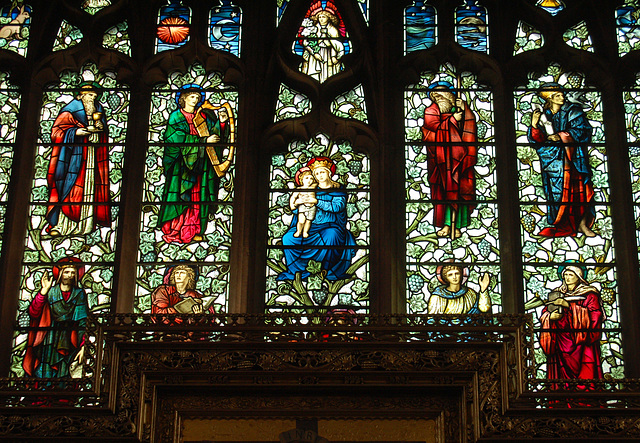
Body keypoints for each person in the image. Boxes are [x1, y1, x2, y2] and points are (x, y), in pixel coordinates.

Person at [158, 84, 233, 244]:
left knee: (198, 197)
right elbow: (174, 139)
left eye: (198, 97)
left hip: (201, 165)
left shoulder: (202, 117)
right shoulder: (176, 117)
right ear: (183, 98)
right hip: (181, 167)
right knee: (182, 197)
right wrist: (202, 141)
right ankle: (176, 228)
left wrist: (221, 123)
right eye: (192, 96)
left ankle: (195, 229)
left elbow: (214, 135)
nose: (196, 99)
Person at [528, 83, 596, 237]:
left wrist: (561, 136)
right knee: (556, 195)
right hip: (553, 163)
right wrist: (534, 123)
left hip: (574, 159)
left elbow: (583, 131)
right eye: (558, 95)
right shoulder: (544, 115)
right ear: (550, 99)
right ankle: (561, 224)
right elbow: (536, 140)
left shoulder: (573, 111)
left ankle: (582, 224)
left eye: (562, 94)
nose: (562, 97)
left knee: (580, 192)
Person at [46, 82, 110, 236]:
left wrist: (100, 128)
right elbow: (56, 132)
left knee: (89, 189)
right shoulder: (70, 111)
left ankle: (86, 224)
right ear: (80, 95)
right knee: (70, 188)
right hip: (71, 159)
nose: (92, 99)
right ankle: (63, 225)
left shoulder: (98, 110)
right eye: (89, 95)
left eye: (94, 96)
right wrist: (75, 133)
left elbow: (102, 133)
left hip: (91, 157)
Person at [277, 157, 356, 281]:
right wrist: (298, 203)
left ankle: (325, 269)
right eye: (317, 173)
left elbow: (337, 206)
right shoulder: (310, 189)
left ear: (329, 173)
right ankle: (296, 272)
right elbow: (297, 209)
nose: (320, 175)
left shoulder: (338, 190)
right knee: (288, 238)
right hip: (309, 226)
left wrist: (316, 201)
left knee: (332, 235)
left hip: (331, 226)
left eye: (322, 172)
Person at [421, 81, 477, 239]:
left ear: (450, 94)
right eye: (434, 96)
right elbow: (430, 133)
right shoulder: (431, 111)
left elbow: (469, 127)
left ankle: (457, 225)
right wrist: (452, 120)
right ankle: (446, 225)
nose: (438, 98)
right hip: (441, 160)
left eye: (440, 94)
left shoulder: (460, 108)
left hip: (461, 158)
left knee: (460, 189)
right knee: (444, 191)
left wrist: (465, 113)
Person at [22, 258, 88, 378]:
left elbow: (82, 321)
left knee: (66, 370)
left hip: (70, 339)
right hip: (49, 338)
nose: (70, 275)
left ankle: (63, 395)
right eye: (67, 272)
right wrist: (43, 291)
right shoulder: (50, 292)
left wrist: (83, 345)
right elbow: (34, 312)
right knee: (45, 368)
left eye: (73, 273)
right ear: (60, 274)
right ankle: (42, 394)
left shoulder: (79, 294)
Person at [540, 264, 604, 382]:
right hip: (560, 341)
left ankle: (588, 399)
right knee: (561, 376)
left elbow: (596, 315)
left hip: (583, 343)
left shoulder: (590, 295)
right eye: (565, 275)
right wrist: (550, 317)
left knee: (586, 374)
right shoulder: (556, 294)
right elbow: (545, 312)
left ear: (579, 277)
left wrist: (569, 306)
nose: (567, 278)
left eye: (571, 275)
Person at [298, 6, 345, 83]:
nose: (321, 19)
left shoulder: (333, 30)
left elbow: (337, 45)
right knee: (314, 76)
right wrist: (314, 52)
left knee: (329, 74)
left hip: (329, 54)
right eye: (319, 17)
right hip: (314, 57)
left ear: (329, 18)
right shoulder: (313, 28)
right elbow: (306, 43)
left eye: (323, 17)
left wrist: (333, 54)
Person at [151, 264, 215, 315]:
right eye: (176, 273)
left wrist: (199, 315)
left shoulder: (196, 296)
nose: (178, 275)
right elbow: (158, 313)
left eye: (182, 273)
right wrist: (181, 308)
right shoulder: (163, 291)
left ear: (189, 277)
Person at [426, 264, 491, 314]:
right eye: (450, 275)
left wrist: (483, 289)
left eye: (457, 273)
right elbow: (432, 320)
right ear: (445, 278)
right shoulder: (438, 297)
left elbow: (484, 309)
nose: (454, 277)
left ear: (461, 275)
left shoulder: (470, 294)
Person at [290, 166, 318, 238]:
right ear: (301, 179)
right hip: (303, 206)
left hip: (312, 207)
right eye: (307, 178)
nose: (309, 180)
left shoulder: (313, 187)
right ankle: (298, 231)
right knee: (301, 221)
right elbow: (293, 197)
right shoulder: (299, 189)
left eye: (311, 178)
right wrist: (293, 204)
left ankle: (305, 232)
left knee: (308, 221)